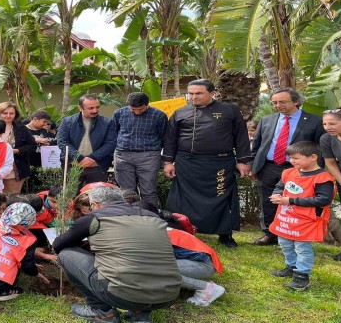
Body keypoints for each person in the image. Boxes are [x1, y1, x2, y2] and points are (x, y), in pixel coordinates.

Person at [52, 187, 181, 323]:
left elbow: (58, 244)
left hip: (122, 296)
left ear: (95, 205)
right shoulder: (152, 216)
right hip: (168, 296)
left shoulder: (94, 217)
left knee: (65, 254)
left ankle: (100, 311)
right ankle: (140, 313)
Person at [163, 79, 252, 248]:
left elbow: (241, 137)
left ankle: (225, 234)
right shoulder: (180, 113)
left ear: (212, 93)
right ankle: (181, 231)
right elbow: (170, 139)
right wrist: (168, 162)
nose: (193, 97)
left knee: (222, 197)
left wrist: (242, 161)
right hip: (187, 163)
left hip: (219, 163)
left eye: (198, 93)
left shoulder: (229, 111)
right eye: (191, 93)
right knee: (182, 199)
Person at [251, 89, 325, 246]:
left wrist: (316, 171)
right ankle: (270, 233)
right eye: (275, 102)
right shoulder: (267, 120)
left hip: (299, 170)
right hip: (269, 166)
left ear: (296, 102)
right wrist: (253, 165)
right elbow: (257, 145)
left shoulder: (314, 121)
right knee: (268, 201)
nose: (278, 105)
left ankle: (295, 234)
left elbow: (320, 149)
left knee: (296, 202)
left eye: (282, 102)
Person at [269, 141, 334, 290]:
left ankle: (302, 276)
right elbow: (280, 186)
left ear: (313, 157)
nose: (292, 161)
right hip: (286, 218)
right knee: (285, 243)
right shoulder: (288, 172)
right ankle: (291, 266)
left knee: (302, 248)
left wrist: (290, 200)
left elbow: (323, 199)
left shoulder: (323, 178)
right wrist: (276, 195)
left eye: (296, 158)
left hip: (307, 221)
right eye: (290, 158)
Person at [113, 92, 167, 207]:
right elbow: (114, 134)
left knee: (148, 191)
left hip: (149, 156)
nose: (137, 112)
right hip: (123, 155)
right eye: (133, 110)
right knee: (126, 192)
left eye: (141, 109)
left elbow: (164, 137)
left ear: (147, 105)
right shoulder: (119, 113)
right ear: (128, 105)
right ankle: (129, 218)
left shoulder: (159, 115)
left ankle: (151, 217)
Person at [57, 94, 116, 186]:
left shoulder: (107, 123)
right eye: (91, 108)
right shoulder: (67, 122)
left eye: (97, 107)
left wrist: (92, 158)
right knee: (70, 196)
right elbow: (62, 142)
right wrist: (80, 158)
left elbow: (111, 144)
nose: (95, 110)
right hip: (73, 166)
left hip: (97, 166)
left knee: (97, 197)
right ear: (80, 108)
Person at [168, 228, 225, 307]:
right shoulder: (157, 228)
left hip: (204, 264)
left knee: (159, 270)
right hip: (202, 260)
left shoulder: (153, 235)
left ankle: (208, 288)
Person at [0, 102, 36, 194]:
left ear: (15, 114)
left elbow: (32, 146)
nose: (8, 116)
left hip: (15, 167)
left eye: (11, 113)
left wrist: (17, 151)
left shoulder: (22, 128)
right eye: (5, 113)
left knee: (12, 196)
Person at [321, 106, 341, 260]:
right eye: (325, 124)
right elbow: (330, 163)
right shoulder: (326, 139)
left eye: (332, 124)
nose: (328, 127)